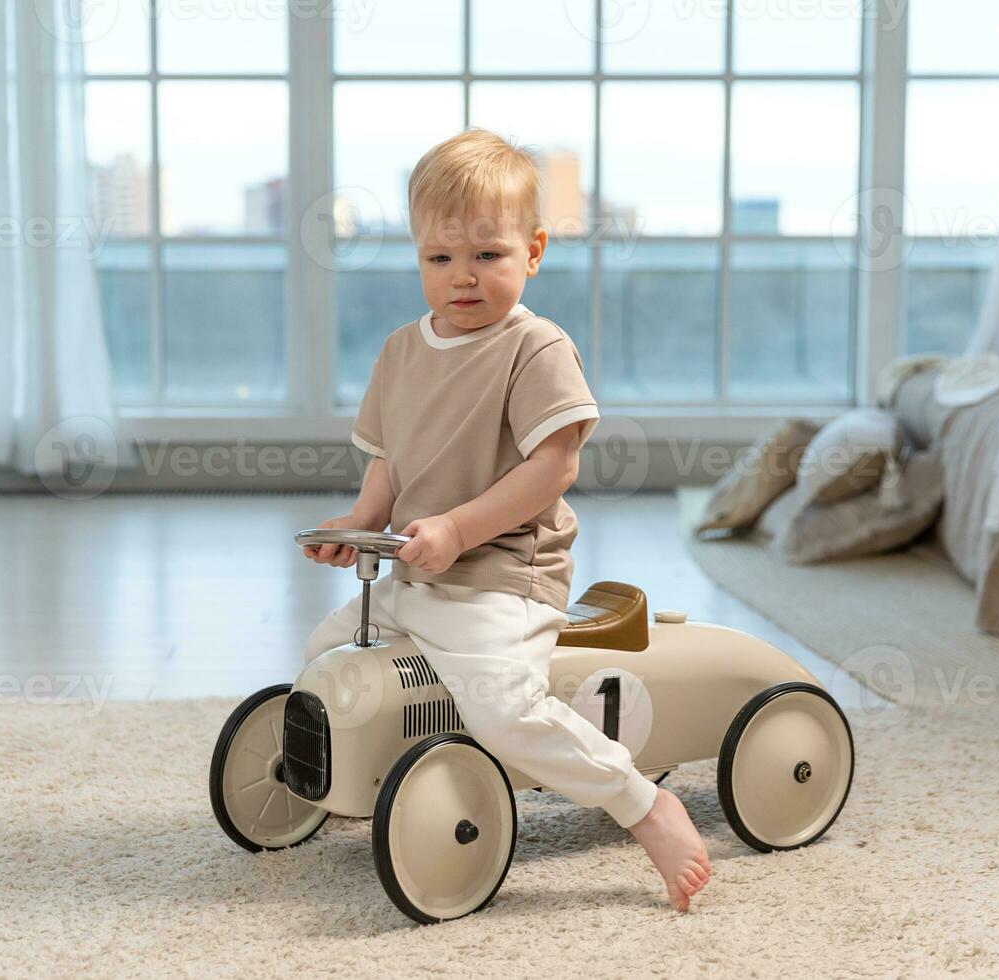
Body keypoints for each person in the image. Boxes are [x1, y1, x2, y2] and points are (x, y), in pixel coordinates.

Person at [301, 129, 711, 911]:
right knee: (326, 656)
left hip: (503, 579)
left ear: (533, 251)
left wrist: (456, 530)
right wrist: (360, 519)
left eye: (487, 255)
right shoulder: (400, 351)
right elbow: (389, 461)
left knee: (503, 708)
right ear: (418, 256)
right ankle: (344, 782)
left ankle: (642, 805)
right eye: (440, 258)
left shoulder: (537, 348)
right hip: (421, 573)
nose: (462, 278)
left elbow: (552, 468)